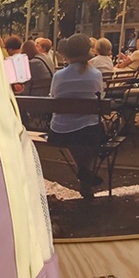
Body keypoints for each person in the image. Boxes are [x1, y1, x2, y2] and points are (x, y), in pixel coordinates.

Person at [48, 33, 105, 199]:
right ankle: (84, 172)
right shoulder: (95, 74)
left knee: (76, 137)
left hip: (60, 131)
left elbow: (52, 96)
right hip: (89, 131)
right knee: (89, 132)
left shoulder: (59, 76)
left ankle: (83, 172)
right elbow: (100, 96)